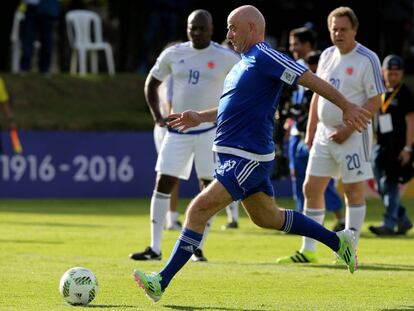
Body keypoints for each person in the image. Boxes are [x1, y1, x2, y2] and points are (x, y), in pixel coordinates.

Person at [132, 5, 372, 302]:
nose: (228, 34)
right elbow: (232, 108)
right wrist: (201, 117)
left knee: (197, 210)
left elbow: (308, 78)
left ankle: (160, 281)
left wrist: (346, 105)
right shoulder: (243, 63)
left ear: (252, 28)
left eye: (233, 27)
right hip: (236, 154)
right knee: (266, 217)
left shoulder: (264, 55)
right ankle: (339, 241)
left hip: (246, 156)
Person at [129, 9, 240, 262]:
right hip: (177, 132)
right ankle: (155, 248)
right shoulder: (174, 53)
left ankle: (196, 247)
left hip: (210, 132)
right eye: (193, 28)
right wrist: (157, 115)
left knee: (208, 188)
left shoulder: (225, 57)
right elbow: (151, 83)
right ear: (187, 28)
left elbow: (243, 85)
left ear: (212, 29)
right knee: (163, 183)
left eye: (202, 28)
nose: (197, 32)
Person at [279, 6, 386, 264]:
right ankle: (309, 250)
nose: (338, 33)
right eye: (334, 29)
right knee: (311, 187)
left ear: (355, 30)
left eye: (343, 29)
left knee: (352, 191)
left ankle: (349, 251)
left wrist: (347, 129)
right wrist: (312, 128)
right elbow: (318, 94)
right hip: (324, 135)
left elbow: (375, 100)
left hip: (353, 135)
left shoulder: (367, 58)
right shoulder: (326, 55)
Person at [285, 27, 345, 233]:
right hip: (296, 131)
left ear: (308, 44)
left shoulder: (322, 63)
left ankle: (341, 218)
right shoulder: (292, 67)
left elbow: (319, 103)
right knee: (299, 178)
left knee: (321, 181)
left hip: (316, 132)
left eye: (297, 43)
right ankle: (301, 219)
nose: (293, 48)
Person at [368, 55, 414, 236]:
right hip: (380, 146)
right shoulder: (378, 91)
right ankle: (403, 219)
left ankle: (389, 224)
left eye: (396, 73)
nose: (392, 77)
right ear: (383, 72)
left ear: (402, 74)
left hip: (399, 147)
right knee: (382, 186)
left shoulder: (405, 93)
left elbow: (411, 121)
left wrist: (408, 148)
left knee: (390, 184)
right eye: (389, 73)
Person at [20, 0, 59, 74]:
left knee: (46, 40)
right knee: (28, 38)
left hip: (47, 7)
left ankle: (45, 69)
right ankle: (24, 67)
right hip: (31, 6)